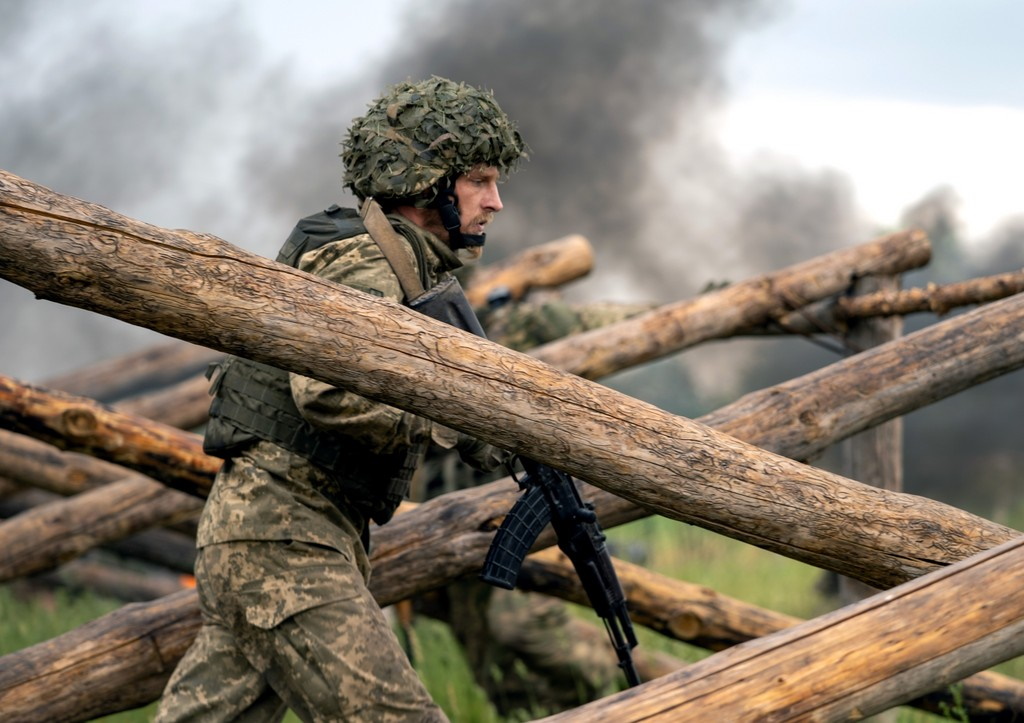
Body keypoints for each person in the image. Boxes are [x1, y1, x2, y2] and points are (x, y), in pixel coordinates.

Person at [154, 76, 526, 722]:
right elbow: (328, 392)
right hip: (283, 537)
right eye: (480, 180)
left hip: (279, 533)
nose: (495, 201)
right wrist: (451, 421)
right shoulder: (364, 261)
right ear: (426, 179)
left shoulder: (402, 266)